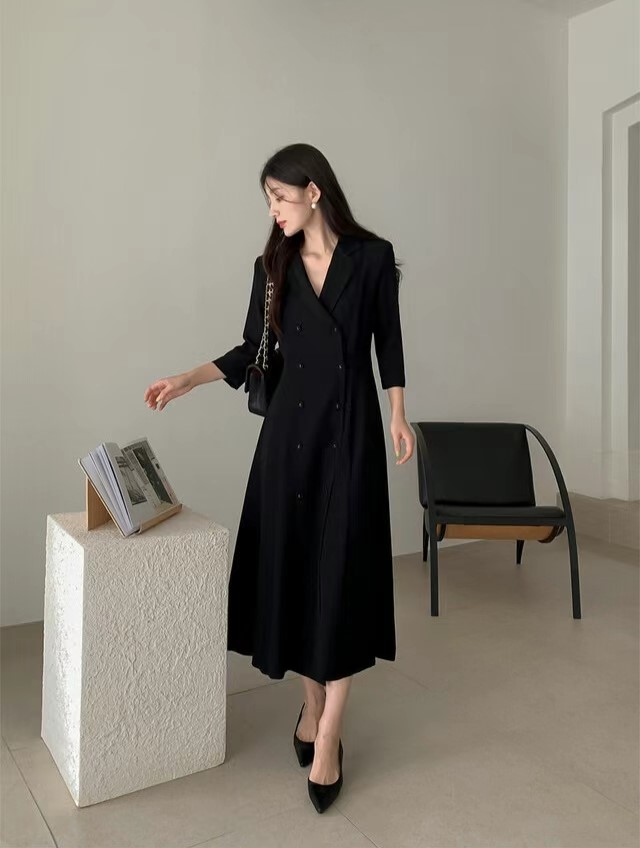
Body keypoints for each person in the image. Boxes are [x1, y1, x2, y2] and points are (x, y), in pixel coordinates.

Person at [143, 142, 414, 813]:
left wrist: (398, 415)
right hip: (289, 442)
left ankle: (329, 736)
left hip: (350, 436)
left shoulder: (371, 258)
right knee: (294, 571)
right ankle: (311, 703)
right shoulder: (273, 267)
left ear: (313, 192)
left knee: (342, 577)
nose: (274, 210)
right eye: (268, 199)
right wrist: (188, 378)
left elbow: (388, 341)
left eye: (280, 197)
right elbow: (251, 350)